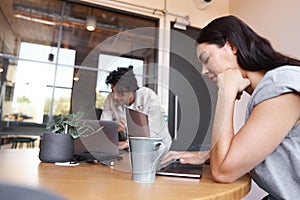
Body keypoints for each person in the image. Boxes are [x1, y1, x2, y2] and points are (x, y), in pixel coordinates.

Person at [162, 15, 300, 199]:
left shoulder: (280, 86)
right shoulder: (269, 90)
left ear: (232, 46)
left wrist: (226, 92)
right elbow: (261, 149)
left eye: (206, 59)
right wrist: (206, 155)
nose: (203, 71)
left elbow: (223, 172)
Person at [101, 66, 172, 151]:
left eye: (120, 92)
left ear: (132, 90)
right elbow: (103, 128)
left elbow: (152, 132)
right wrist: (114, 127)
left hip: (157, 147)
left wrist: (126, 143)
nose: (115, 96)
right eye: (113, 91)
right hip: (131, 149)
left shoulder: (149, 97)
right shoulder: (110, 98)